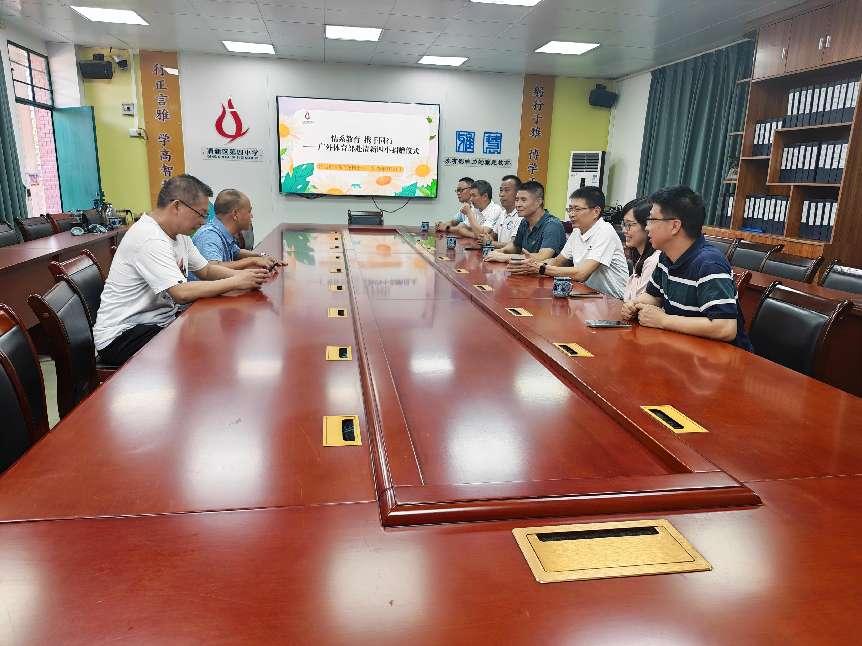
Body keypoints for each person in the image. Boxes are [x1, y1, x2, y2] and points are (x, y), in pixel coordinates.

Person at [93, 174, 270, 366]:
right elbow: (181, 293)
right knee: (207, 351)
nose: (204, 221)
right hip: (124, 335)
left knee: (215, 340)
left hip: (158, 322)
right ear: (177, 206)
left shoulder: (180, 235)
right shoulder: (149, 237)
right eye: (201, 214)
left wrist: (246, 276)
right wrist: (236, 281)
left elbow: (206, 270)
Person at [620, 185, 753, 350]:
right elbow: (653, 296)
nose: (647, 227)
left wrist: (664, 320)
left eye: (652, 220)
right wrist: (634, 305)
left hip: (721, 356)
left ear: (675, 226)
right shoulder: (666, 256)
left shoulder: (709, 264)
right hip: (683, 346)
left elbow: (725, 328)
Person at [509, 186, 629, 299]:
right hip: (588, 295)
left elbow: (581, 274)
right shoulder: (577, 231)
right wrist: (532, 264)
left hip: (614, 300)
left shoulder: (605, 231)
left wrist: (541, 268)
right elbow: (558, 261)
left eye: (577, 209)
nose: (571, 214)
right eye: (570, 209)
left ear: (596, 211)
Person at [190, 189, 281, 279]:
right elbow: (213, 268)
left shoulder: (222, 231)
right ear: (235, 214)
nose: (251, 216)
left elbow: (237, 252)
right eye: (249, 211)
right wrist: (252, 261)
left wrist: (261, 257)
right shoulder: (209, 235)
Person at [484, 180, 566, 262]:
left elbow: (542, 256)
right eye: (517, 200)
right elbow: (516, 246)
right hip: (525, 268)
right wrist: (500, 251)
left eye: (523, 200)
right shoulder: (524, 221)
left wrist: (505, 257)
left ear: (538, 202)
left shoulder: (552, 225)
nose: (518, 205)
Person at [621, 197, 661, 301]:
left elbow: (638, 304)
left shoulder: (653, 261)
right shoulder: (640, 256)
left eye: (629, 224)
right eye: (624, 224)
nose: (624, 230)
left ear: (647, 225)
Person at [478, 175, 522, 248]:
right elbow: (492, 236)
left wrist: (489, 242)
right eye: (501, 190)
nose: (501, 194)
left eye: (506, 190)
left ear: (518, 193)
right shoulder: (503, 213)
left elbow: (514, 246)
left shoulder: (521, 216)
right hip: (497, 253)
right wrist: (486, 238)